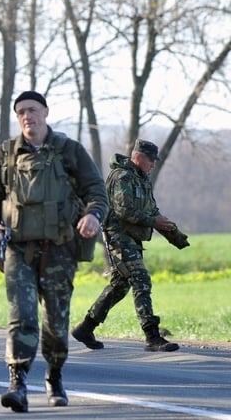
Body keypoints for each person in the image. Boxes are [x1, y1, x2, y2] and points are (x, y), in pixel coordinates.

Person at [0, 90, 108, 413]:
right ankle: (18, 383)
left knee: (55, 321)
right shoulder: (5, 154)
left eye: (33, 110)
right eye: (22, 111)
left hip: (59, 250)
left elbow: (96, 190)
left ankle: (54, 376)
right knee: (21, 316)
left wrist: (93, 215)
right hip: (18, 250)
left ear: (45, 112)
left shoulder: (69, 151)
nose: (28, 116)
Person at [71, 140, 189, 353]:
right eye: (151, 160)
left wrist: (176, 237)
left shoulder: (142, 179)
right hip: (118, 237)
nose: (153, 164)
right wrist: (154, 222)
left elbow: (152, 211)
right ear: (139, 156)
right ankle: (152, 336)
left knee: (119, 286)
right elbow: (124, 210)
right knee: (141, 280)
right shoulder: (122, 177)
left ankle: (85, 328)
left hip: (132, 239)